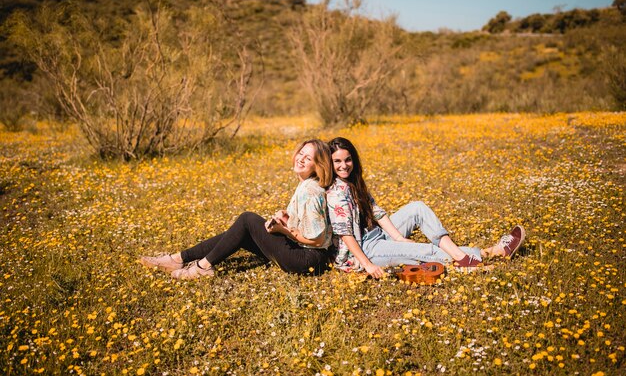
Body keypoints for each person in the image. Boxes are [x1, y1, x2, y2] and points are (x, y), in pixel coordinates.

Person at [326, 137, 525, 278]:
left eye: (348, 159)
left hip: (376, 235)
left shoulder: (354, 182)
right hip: (364, 250)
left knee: (417, 208)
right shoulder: (336, 193)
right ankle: (490, 253)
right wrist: (368, 265)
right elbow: (346, 235)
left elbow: (376, 212)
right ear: (329, 163)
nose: (344, 165)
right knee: (425, 251)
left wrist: (399, 238)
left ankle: (459, 255)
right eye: (337, 161)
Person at [139, 139, 334, 279]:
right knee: (240, 232)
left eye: (308, 158)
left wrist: (282, 230)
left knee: (247, 219)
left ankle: (202, 266)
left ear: (318, 166)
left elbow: (316, 239)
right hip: (300, 253)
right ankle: (178, 259)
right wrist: (286, 218)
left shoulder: (310, 190)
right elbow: (306, 224)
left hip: (306, 260)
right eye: (301, 153)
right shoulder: (307, 184)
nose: (301, 159)